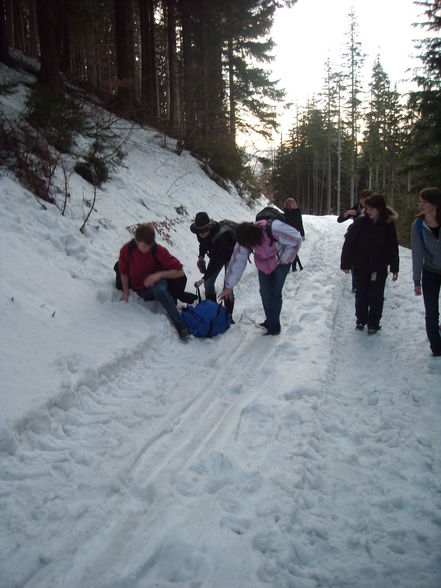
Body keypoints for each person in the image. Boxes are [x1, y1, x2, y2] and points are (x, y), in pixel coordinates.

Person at [219, 218, 302, 335]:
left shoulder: (274, 229)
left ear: (253, 238)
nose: (248, 248)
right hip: (264, 264)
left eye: (249, 245)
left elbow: (296, 239)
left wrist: (285, 258)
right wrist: (228, 286)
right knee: (265, 293)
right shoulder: (243, 240)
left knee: (275, 294)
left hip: (281, 262)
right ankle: (270, 320)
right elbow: (237, 262)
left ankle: (274, 326)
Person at [118, 223, 190, 341]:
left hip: (157, 285)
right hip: (139, 289)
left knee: (160, 291)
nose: (147, 249)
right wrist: (125, 293)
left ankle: (181, 326)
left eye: (149, 246)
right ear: (136, 240)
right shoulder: (127, 250)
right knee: (158, 291)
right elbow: (123, 272)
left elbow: (180, 272)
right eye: (144, 246)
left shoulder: (157, 250)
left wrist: (158, 275)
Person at [340, 193, 399, 335]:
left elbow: (392, 246)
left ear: (379, 209)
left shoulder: (387, 224)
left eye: (372, 209)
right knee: (361, 295)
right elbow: (349, 243)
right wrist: (345, 264)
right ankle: (361, 319)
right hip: (360, 266)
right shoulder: (360, 222)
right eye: (367, 209)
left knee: (377, 297)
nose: (369, 212)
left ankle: (374, 323)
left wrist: (394, 268)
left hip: (379, 267)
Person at [411, 187, 441, 357]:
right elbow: (417, 254)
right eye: (420, 201)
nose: (420, 204)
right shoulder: (418, 226)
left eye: (424, 201)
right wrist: (417, 280)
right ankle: (437, 348)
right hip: (430, 273)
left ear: (435, 204)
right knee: (431, 313)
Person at [190, 212, 236, 316]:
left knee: (227, 287)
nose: (201, 233)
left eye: (203, 231)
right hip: (217, 255)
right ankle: (213, 311)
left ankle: (228, 316)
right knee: (209, 284)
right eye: (199, 231)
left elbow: (217, 261)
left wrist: (204, 277)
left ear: (209, 227)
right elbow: (203, 244)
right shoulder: (200, 232)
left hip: (231, 256)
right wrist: (201, 257)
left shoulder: (220, 236)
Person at [337, 189, 372, 291]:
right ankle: (356, 285)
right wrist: (347, 212)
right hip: (356, 238)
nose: (364, 201)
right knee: (354, 260)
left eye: (366, 198)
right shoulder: (357, 208)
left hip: (371, 238)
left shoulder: (375, 208)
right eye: (362, 198)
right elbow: (339, 220)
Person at [283, 197, 306, 271]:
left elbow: (300, 223)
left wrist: (302, 234)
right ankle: (288, 266)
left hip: (295, 233)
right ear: (288, 205)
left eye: (295, 203)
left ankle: (294, 267)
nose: (295, 204)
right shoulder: (286, 214)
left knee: (294, 250)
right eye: (292, 203)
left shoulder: (297, 212)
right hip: (287, 234)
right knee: (290, 250)